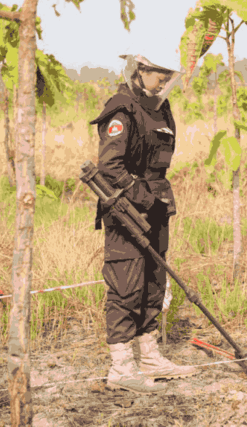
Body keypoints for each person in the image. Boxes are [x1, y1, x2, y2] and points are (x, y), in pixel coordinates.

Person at [89, 54, 198, 395]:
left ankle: (149, 355)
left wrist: (155, 202)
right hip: (127, 209)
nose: (164, 82)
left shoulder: (161, 108)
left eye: (169, 76)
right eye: (159, 75)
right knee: (126, 284)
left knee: (154, 280)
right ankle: (121, 367)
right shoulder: (121, 109)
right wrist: (142, 198)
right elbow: (110, 168)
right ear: (140, 70)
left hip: (156, 205)